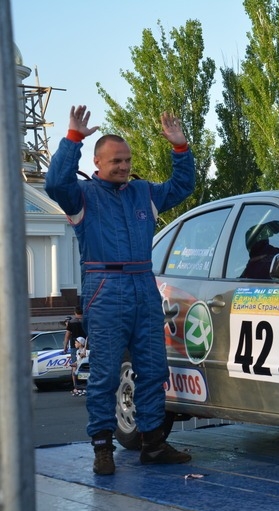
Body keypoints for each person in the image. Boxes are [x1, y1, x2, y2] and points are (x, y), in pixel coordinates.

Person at [45, 105, 195, 475]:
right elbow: (53, 184)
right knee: (106, 373)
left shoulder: (143, 192)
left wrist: (180, 149)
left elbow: (182, 186)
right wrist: (72, 139)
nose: (124, 167)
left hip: (144, 284)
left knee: (153, 368)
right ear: (97, 162)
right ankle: (102, 448)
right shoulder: (80, 196)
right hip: (104, 287)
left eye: (127, 160)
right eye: (116, 161)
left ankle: (153, 445)